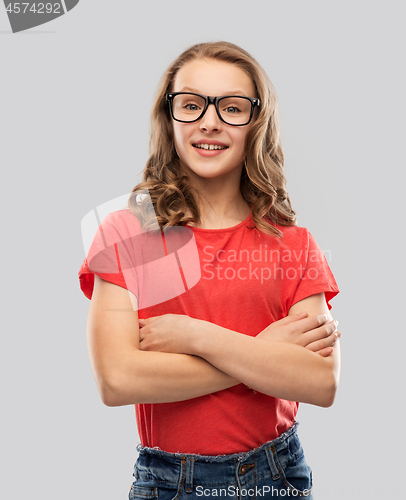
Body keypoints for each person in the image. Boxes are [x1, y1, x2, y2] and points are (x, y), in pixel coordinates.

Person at [79, 41, 340, 499]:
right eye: (192, 104)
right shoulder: (127, 234)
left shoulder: (293, 244)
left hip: (274, 476)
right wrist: (263, 354)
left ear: (255, 123)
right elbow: (117, 380)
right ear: (169, 117)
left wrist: (197, 336)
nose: (210, 121)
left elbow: (319, 382)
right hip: (166, 482)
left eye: (232, 107)